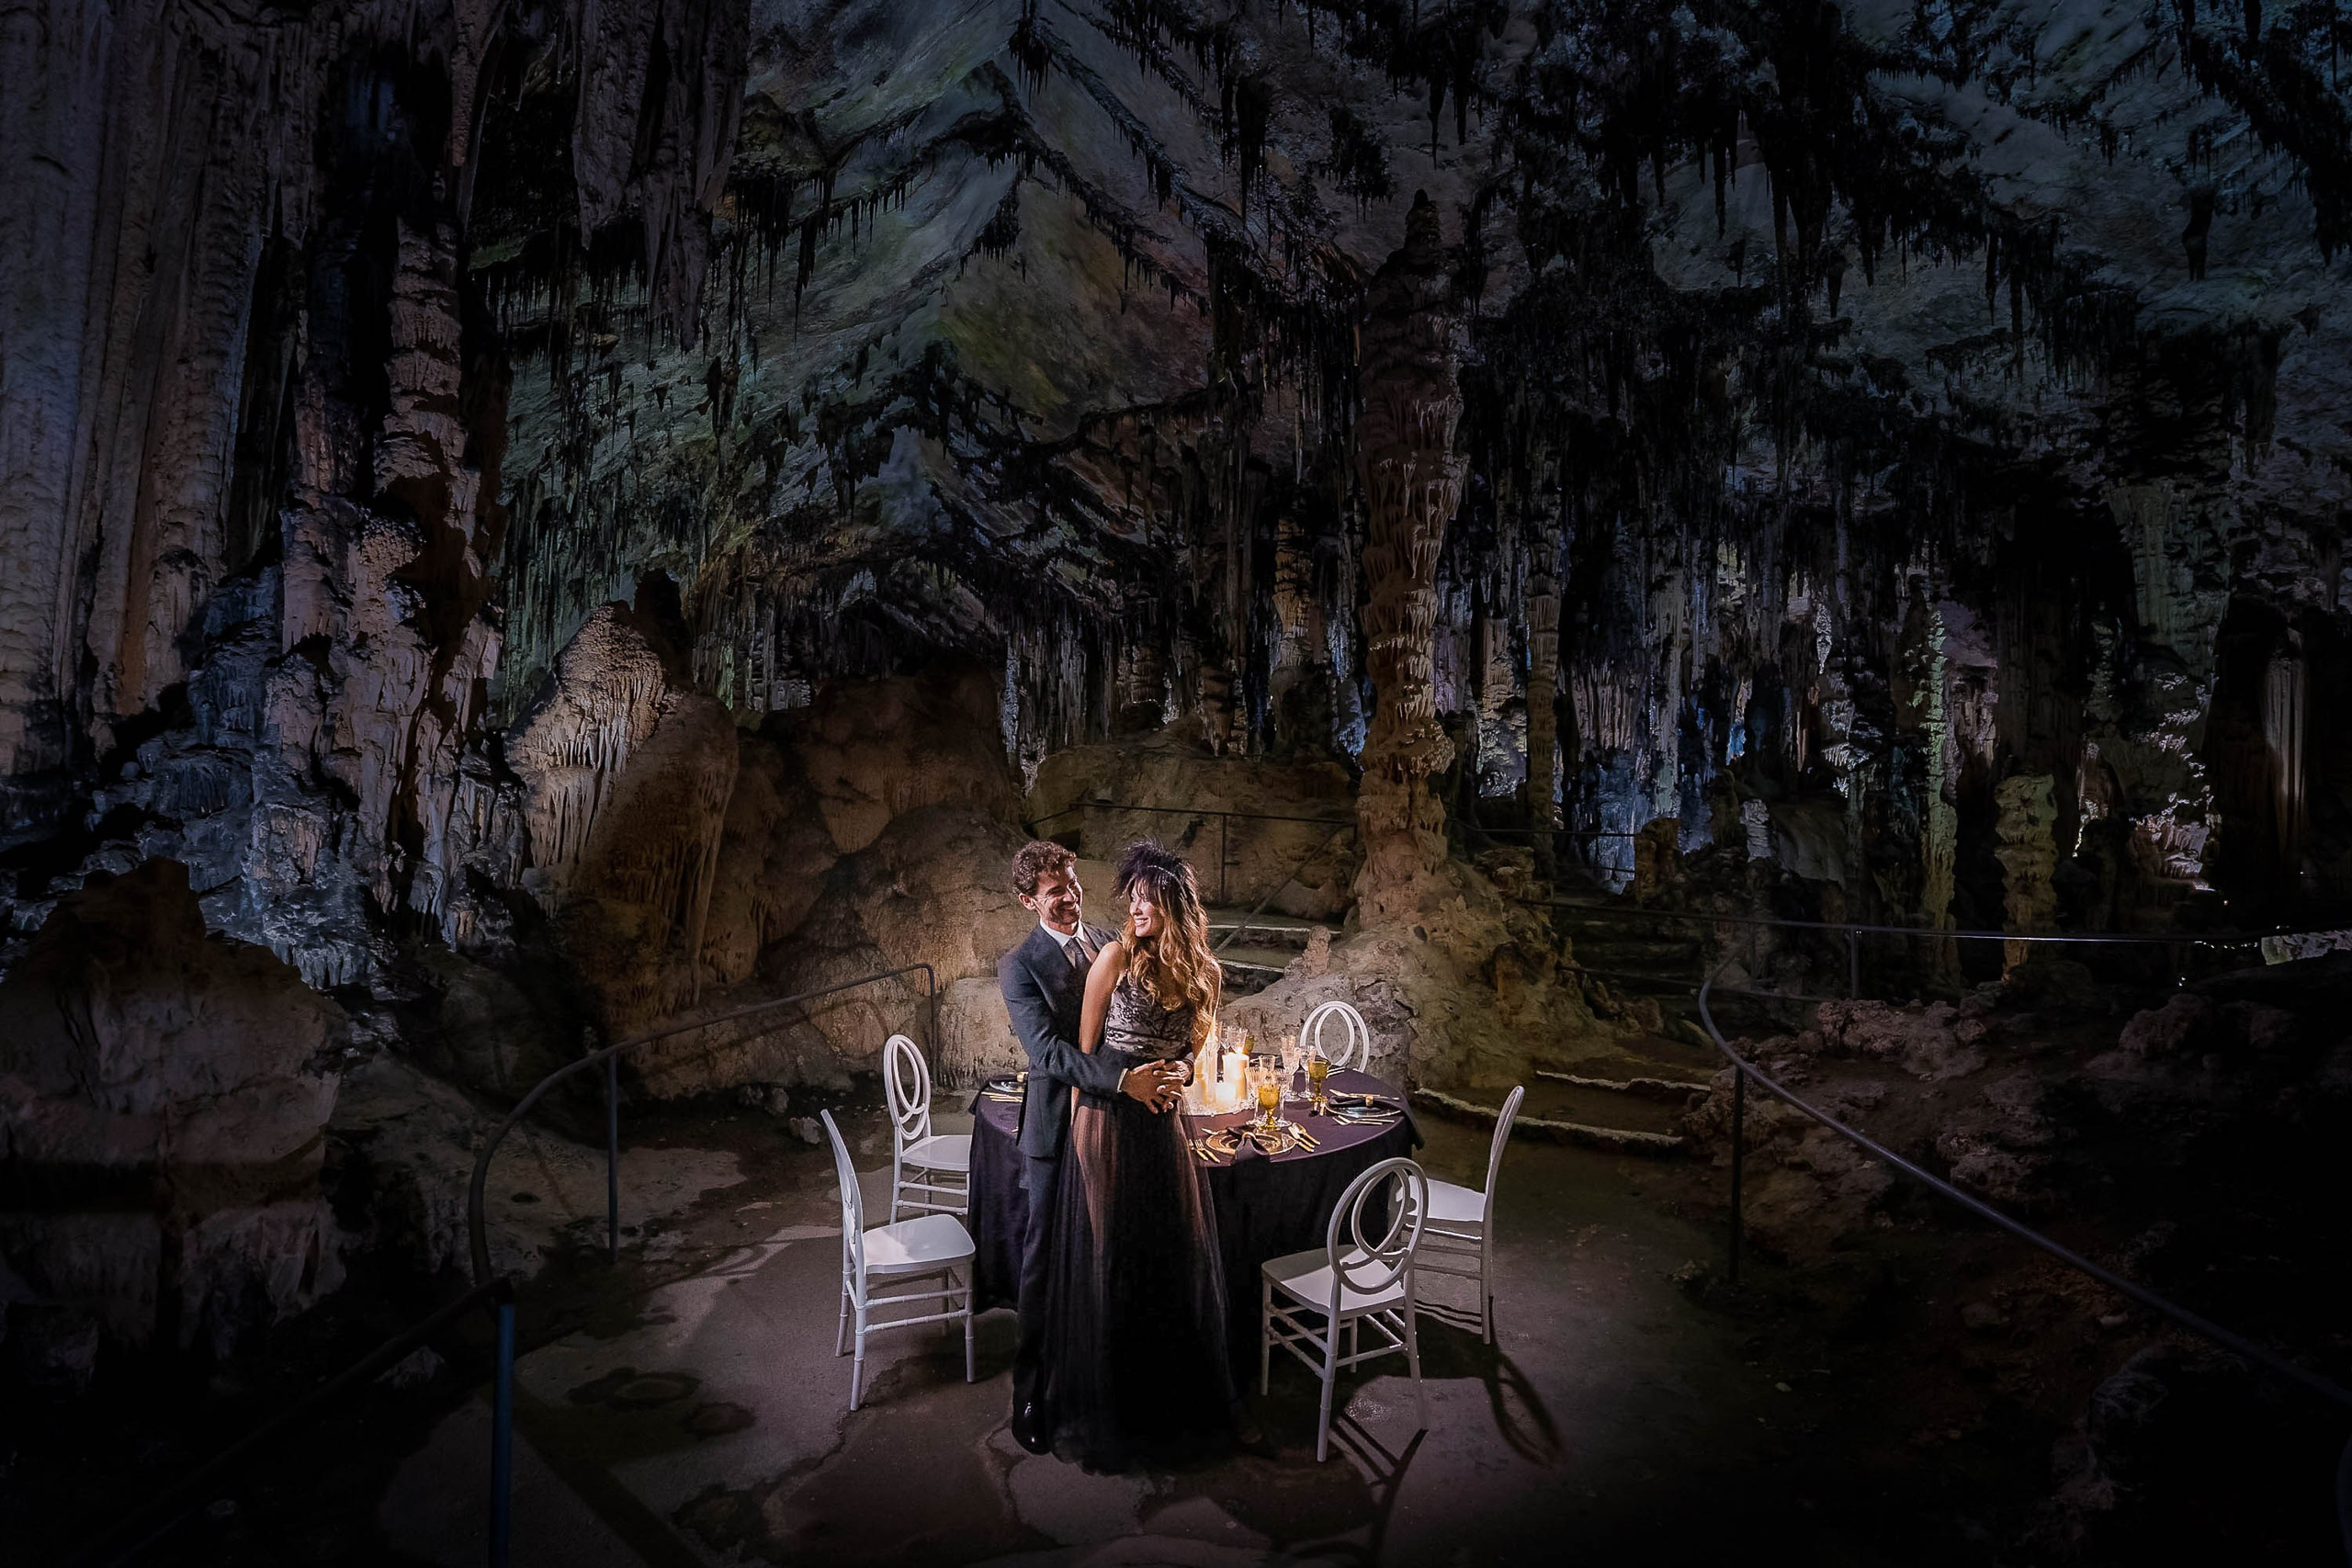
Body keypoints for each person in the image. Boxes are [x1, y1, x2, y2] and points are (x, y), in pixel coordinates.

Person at [1036, 840, 1250, 1470]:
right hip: (1107, 1121)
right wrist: (1088, 1124)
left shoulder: (1201, 973)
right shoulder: (1113, 957)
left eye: (1146, 897)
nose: (1134, 906)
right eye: (1130, 896)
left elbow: (1191, 1048)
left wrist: (1181, 1071)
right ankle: (1112, 1405)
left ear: (1172, 903)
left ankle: (1168, 1402)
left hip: (1162, 1128)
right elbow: (1085, 1050)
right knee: (1112, 1255)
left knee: (1169, 1252)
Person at [998, 841, 1187, 1455]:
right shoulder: (1019, 966)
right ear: (1029, 901)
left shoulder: (1111, 937)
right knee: (1044, 1264)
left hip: (1120, 1129)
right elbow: (1048, 1053)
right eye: (1056, 892)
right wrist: (1121, 1080)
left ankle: (1102, 1384)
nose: (1070, 898)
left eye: (1074, 884)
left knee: (1109, 1257)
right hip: (1056, 1130)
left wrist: (1176, 1061)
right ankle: (1029, 1394)